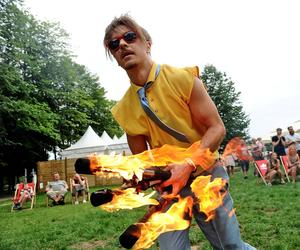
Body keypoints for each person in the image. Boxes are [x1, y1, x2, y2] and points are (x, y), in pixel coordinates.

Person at [104, 14, 255, 250]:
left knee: (230, 246)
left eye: (130, 37)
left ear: (147, 44)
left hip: (206, 174)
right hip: (170, 185)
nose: (122, 44)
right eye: (114, 44)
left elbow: (217, 128)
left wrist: (187, 165)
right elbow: (143, 161)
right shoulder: (125, 109)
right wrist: (140, 179)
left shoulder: (183, 79)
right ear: (114, 56)